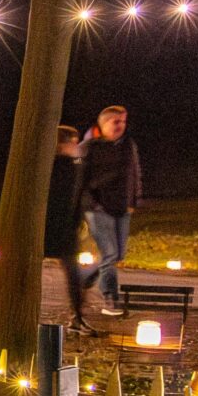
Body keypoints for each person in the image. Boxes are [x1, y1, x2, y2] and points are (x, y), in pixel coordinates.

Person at [78, 105, 141, 314]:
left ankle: (84, 278)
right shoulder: (90, 147)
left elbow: (134, 173)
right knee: (110, 252)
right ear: (104, 124)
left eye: (123, 121)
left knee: (118, 255)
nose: (120, 126)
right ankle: (110, 298)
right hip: (98, 208)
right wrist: (90, 203)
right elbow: (79, 179)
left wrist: (134, 200)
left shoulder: (127, 145)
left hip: (121, 207)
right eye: (116, 122)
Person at [43, 124, 90, 332]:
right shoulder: (51, 166)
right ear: (60, 145)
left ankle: (77, 316)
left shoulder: (75, 165)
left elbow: (77, 196)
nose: (76, 146)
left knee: (75, 274)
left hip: (68, 228)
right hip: (48, 226)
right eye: (73, 142)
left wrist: (79, 220)